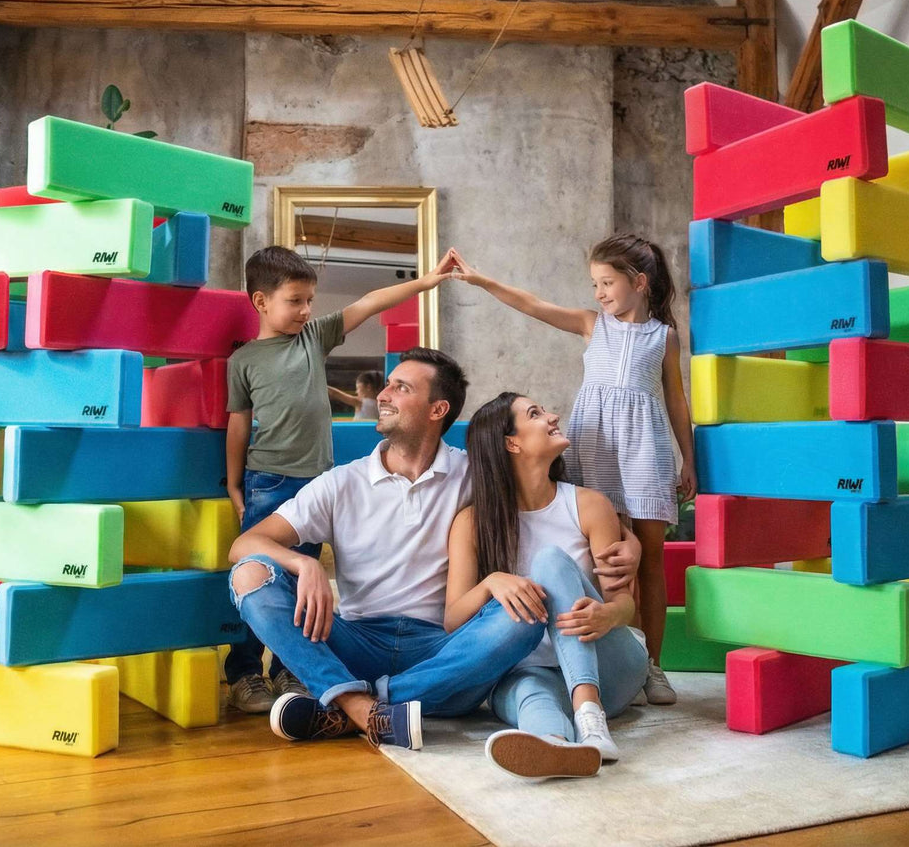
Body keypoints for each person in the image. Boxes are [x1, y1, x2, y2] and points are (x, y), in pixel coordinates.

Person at [227, 349, 642, 750]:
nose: (384, 396)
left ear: (437, 410)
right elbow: (246, 543)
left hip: (447, 650)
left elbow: (553, 502)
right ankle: (360, 708)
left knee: (529, 607)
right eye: (386, 386)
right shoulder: (340, 484)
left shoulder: (474, 473)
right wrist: (304, 563)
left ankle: (353, 706)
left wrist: (632, 544)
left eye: (400, 387)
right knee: (250, 573)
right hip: (357, 641)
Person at [448, 235, 696, 706]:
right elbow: (532, 304)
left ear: (639, 283)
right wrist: (481, 280)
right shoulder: (591, 325)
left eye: (607, 283)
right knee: (609, 559)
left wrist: (689, 457)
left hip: (645, 448)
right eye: (594, 284)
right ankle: (600, 656)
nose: (599, 293)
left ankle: (653, 666)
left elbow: (676, 401)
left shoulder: (663, 337)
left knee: (648, 559)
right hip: (595, 442)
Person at [223, 247, 456, 714]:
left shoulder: (314, 337)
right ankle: (245, 671)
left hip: (316, 481)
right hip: (268, 481)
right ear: (261, 302)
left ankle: (291, 667)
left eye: (310, 299)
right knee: (263, 573)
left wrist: (425, 282)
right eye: (295, 300)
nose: (306, 309)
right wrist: (233, 483)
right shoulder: (244, 360)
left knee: (304, 587)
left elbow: (370, 302)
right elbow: (238, 423)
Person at [446, 392, 647, 779]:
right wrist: (491, 582)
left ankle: (590, 718)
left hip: (611, 669)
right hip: (530, 669)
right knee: (528, 693)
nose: (553, 415)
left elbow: (626, 605)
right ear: (512, 443)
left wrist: (606, 615)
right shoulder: (471, 524)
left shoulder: (589, 505)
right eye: (535, 414)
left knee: (550, 562)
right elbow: (453, 619)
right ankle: (556, 747)